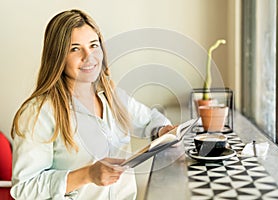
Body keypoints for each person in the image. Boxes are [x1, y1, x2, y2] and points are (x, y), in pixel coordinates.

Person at [10, 9, 175, 200]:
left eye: (93, 45)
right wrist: (87, 175)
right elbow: (24, 188)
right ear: (57, 57)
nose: (89, 56)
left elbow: (150, 120)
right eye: (75, 48)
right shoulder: (38, 113)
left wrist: (162, 130)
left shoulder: (112, 96)